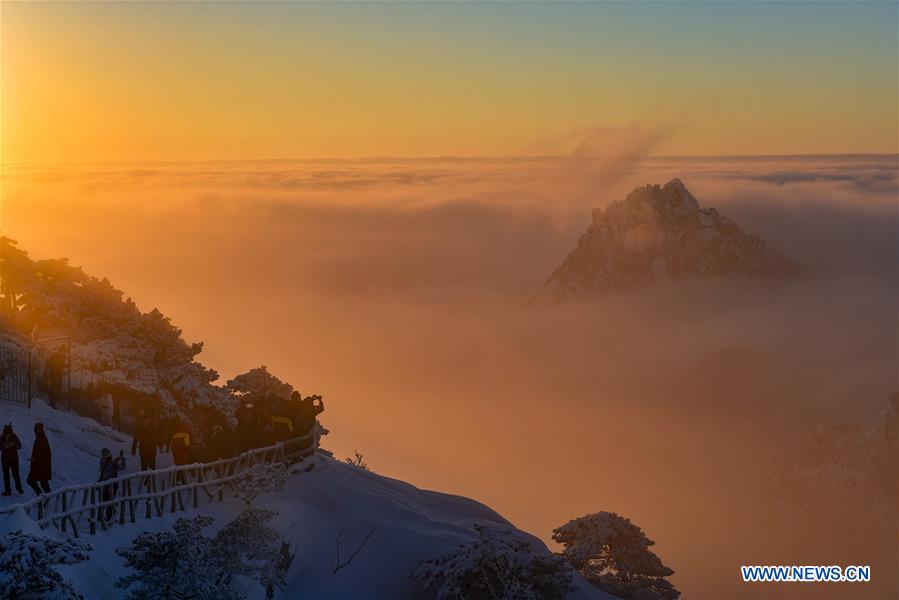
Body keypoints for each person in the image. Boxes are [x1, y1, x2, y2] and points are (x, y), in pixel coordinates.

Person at [98, 448, 126, 520]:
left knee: (103, 500)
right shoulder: (113, 465)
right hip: (112, 485)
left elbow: (111, 463)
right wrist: (123, 459)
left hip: (103, 485)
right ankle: (108, 517)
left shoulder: (103, 462)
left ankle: (99, 515)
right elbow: (121, 467)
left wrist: (118, 457)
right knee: (110, 501)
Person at [27, 423, 52, 495]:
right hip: (41, 465)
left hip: (41, 465)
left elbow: (44, 452)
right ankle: (45, 497)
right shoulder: (40, 437)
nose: (35, 431)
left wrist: (35, 459)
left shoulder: (42, 438)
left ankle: (42, 496)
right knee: (43, 482)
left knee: (31, 480)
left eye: (36, 429)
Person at [1, 424, 24, 496]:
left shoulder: (14, 437)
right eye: (6, 434)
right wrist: (4, 447)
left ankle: (19, 489)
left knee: (15, 474)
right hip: (5, 459)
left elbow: (19, 446)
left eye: (9, 434)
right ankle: (7, 491)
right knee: (6, 476)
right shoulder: (1, 437)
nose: (7, 436)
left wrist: (14, 445)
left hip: (14, 459)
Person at [169, 420, 192, 485]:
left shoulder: (175, 435)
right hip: (183, 453)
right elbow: (187, 445)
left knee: (177, 466)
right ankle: (184, 480)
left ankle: (177, 479)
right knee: (184, 467)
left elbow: (172, 445)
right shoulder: (186, 435)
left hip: (176, 454)